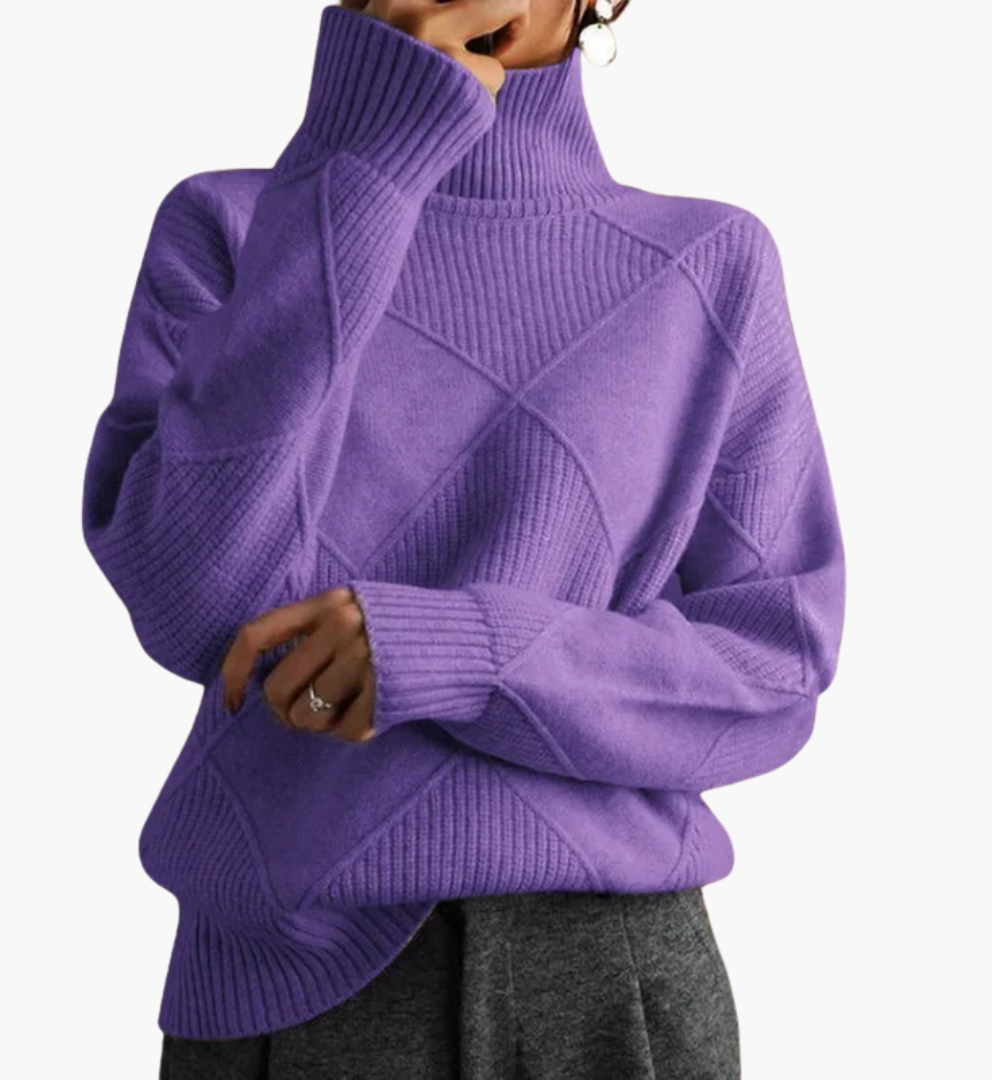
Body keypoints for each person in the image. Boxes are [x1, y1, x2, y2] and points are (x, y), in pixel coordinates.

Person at [81, 1, 846, 1076]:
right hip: (289, 980)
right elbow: (192, 603)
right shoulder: (233, 228)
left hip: (608, 976)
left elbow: (774, 670)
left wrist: (462, 651)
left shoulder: (709, 264)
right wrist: (365, 156)